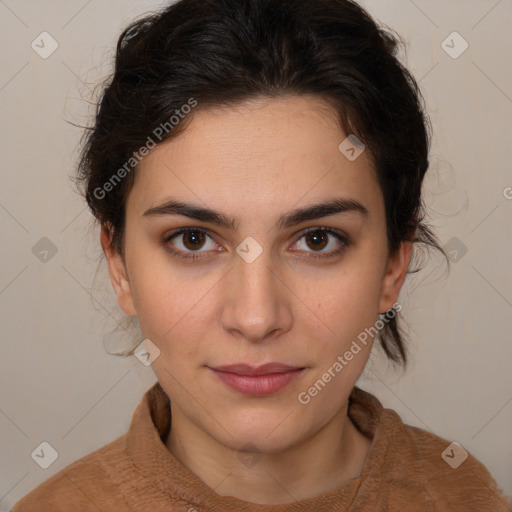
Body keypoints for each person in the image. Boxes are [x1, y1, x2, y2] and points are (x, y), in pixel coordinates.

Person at [12, 0, 511, 510]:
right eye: (193, 240)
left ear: (392, 264)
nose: (255, 318)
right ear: (119, 265)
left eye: (318, 239)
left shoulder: (468, 497)